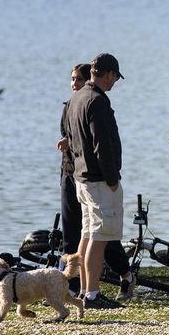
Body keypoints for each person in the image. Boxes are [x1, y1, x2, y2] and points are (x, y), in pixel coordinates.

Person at [57, 63, 133, 303]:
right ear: (108, 73)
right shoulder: (97, 101)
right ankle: (92, 293)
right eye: (114, 78)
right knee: (100, 238)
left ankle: (84, 291)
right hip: (99, 179)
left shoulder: (76, 98)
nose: (114, 83)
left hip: (80, 177)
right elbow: (102, 144)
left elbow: (71, 139)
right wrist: (112, 178)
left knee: (88, 234)